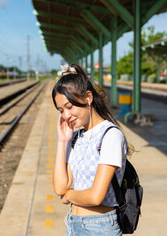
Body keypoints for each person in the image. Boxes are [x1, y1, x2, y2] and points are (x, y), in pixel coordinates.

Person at [52, 63, 129, 236]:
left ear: (88, 97)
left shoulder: (110, 136)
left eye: (69, 106)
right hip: (73, 223)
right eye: (61, 110)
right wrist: (62, 141)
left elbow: (95, 196)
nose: (65, 115)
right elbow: (60, 187)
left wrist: (69, 196)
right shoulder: (76, 138)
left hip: (99, 227)